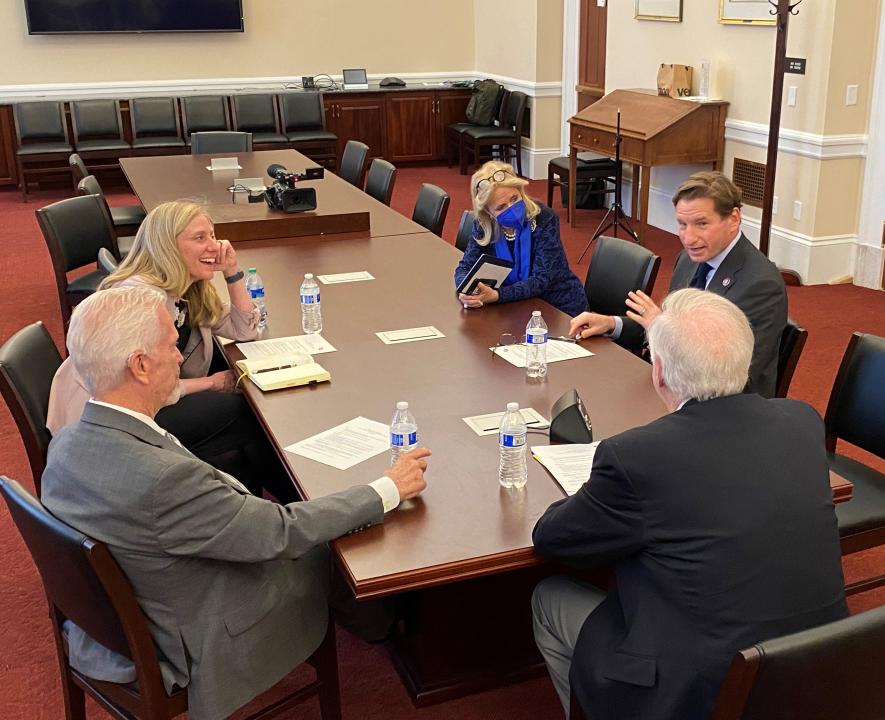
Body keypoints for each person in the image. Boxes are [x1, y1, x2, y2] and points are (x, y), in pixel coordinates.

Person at [40, 286, 432, 720]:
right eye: (172, 345)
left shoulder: (67, 442)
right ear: (140, 365)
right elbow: (280, 531)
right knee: (332, 548)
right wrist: (386, 488)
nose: (179, 357)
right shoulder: (164, 481)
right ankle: (390, 628)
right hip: (198, 636)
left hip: (123, 614)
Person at [532, 289, 847, 720]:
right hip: (820, 666)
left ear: (659, 372)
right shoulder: (802, 422)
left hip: (698, 692)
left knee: (549, 598)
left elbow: (552, 539)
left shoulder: (638, 457)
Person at [46, 200, 291, 498]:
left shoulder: (189, 287)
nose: (214, 246)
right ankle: (284, 499)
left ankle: (255, 497)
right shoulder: (141, 299)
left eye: (213, 235)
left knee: (237, 436)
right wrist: (211, 383)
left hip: (151, 398)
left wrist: (232, 273)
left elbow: (245, 330)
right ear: (167, 247)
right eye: (200, 238)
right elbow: (137, 379)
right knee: (242, 411)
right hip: (111, 417)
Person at [569, 171, 786, 397]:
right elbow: (665, 325)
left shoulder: (761, 284)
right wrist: (611, 324)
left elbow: (729, 375)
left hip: (723, 408)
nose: (688, 238)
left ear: (733, 219)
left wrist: (660, 327)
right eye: (682, 224)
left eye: (702, 224)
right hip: (675, 391)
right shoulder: (688, 259)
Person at [454, 160, 588, 316]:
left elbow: (541, 280)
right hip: (515, 309)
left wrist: (497, 295)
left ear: (521, 191)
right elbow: (465, 267)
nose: (511, 208)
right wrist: (466, 291)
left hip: (558, 308)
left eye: (514, 199)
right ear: (489, 213)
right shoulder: (484, 226)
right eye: (501, 207)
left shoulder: (544, 219)